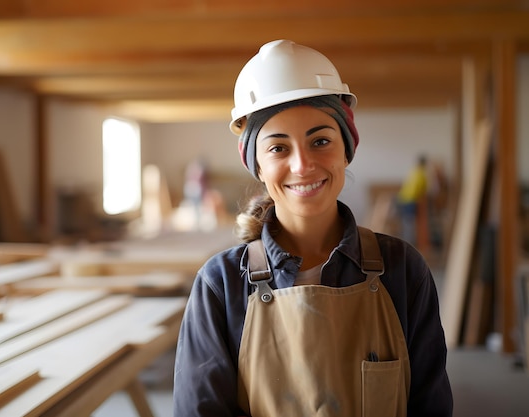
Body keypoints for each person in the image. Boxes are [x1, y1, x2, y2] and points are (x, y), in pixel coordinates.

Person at [173, 39, 453, 416]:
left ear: (346, 148)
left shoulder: (402, 270)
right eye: (278, 148)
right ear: (256, 163)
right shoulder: (221, 284)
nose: (303, 165)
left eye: (320, 140)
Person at [396, 155, 428, 246]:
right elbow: (422, 190)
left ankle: (406, 243)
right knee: (409, 224)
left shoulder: (414, 171)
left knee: (406, 224)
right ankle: (408, 244)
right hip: (410, 201)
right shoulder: (421, 174)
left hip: (403, 199)